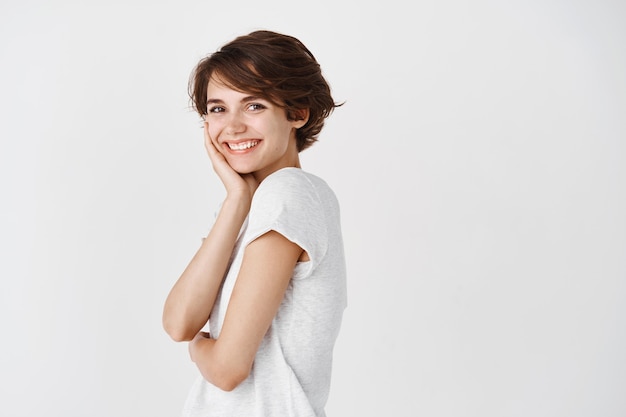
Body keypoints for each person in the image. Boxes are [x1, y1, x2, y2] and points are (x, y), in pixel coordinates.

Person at [162, 30, 347, 417]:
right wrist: (235, 200)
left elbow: (227, 369)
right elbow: (179, 322)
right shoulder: (256, 204)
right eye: (217, 109)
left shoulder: (289, 193)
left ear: (297, 113)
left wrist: (200, 347)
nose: (231, 127)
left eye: (254, 106)